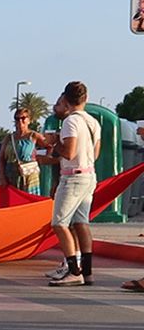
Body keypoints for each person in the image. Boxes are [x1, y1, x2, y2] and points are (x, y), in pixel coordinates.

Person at [44, 81, 101, 287]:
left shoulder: (70, 122)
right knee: (81, 223)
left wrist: (54, 143)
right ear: (85, 99)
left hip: (73, 177)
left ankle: (74, 270)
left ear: (66, 100)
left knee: (59, 223)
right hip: (89, 175)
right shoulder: (93, 122)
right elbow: (96, 153)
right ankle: (87, 271)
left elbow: (69, 152)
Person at [2, 106, 41, 192]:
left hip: (29, 176)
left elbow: (48, 145)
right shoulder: (9, 138)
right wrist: (2, 178)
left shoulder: (34, 136)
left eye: (23, 118)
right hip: (11, 177)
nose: (20, 121)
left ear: (29, 120)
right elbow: (2, 159)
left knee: (29, 198)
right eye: (17, 118)